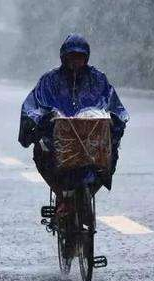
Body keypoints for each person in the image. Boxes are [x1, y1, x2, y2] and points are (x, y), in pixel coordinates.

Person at [18, 34, 129, 212]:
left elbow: (114, 106)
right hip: (58, 142)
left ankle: (88, 193)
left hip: (92, 141)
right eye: (72, 57)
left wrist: (114, 121)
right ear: (64, 57)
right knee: (41, 151)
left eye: (80, 57)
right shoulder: (50, 81)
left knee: (110, 153)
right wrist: (41, 120)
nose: (76, 62)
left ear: (86, 57)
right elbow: (33, 106)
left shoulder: (98, 79)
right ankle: (61, 195)